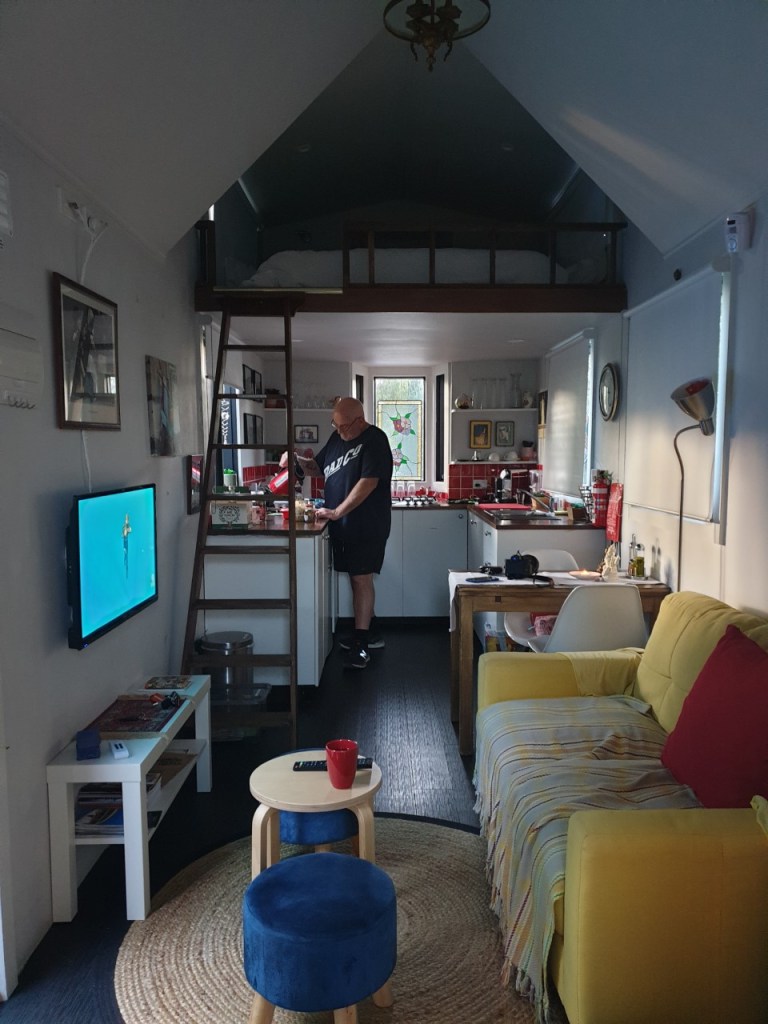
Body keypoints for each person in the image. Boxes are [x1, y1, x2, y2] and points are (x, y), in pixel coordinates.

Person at [281, 397, 393, 669]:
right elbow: (317, 467)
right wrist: (295, 458)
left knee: (361, 579)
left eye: (344, 426)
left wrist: (337, 511)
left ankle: (361, 646)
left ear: (360, 421)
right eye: (336, 425)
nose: (340, 431)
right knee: (356, 578)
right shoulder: (337, 438)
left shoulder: (375, 440)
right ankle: (370, 633)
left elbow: (368, 483)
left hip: (367, 524)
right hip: (342, 524)